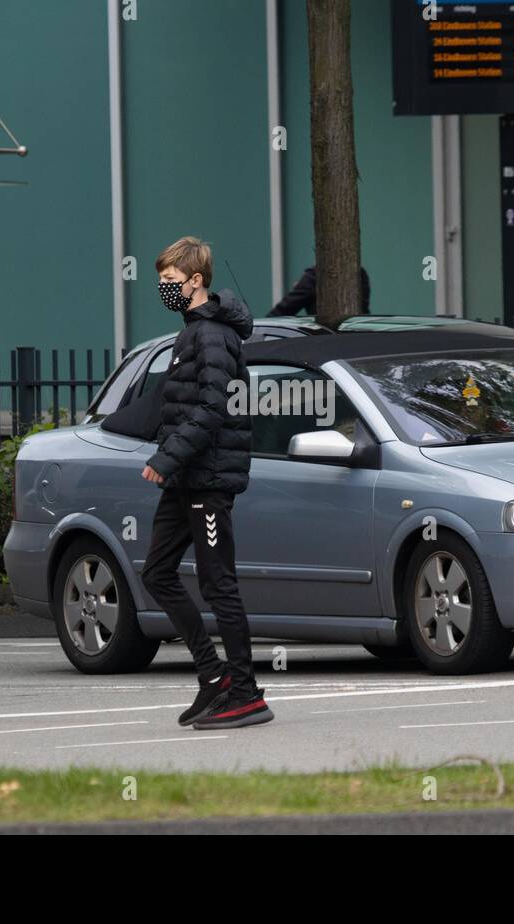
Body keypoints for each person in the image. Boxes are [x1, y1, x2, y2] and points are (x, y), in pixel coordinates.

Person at [140, 236, 274, 730]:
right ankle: (212, 677)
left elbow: (213, 409)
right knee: (157, 573)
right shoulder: (193, 332)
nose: (164, 289)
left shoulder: (213, 336)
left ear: (196, 281)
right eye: (161, 282)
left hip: (208, 480)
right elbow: (174, 404)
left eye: (171, 281)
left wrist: (167, 457)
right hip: (186, 479)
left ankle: (245, 692)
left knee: (220, 585)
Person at [267, 264, 371, 316]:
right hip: (359, 335)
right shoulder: (359, 272)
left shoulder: (316, 275)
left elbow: (286, 308)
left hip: (324, 337)